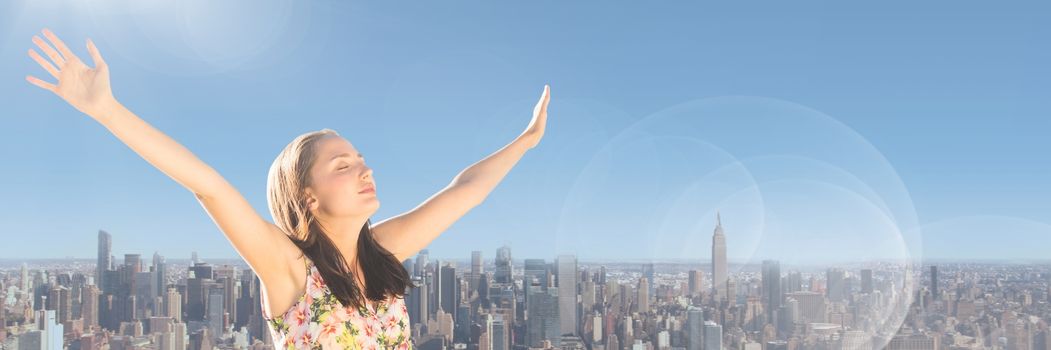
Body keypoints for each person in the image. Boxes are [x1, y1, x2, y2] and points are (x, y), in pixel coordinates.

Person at [25, 27, 550, 349]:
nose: (366, 170)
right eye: (343, 165)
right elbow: (207, 185)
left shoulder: (383, 254)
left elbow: (466, 190)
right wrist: (108, 111)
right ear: (307, 197)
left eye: (362, 159)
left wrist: (526, 142)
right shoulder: (291, 270)